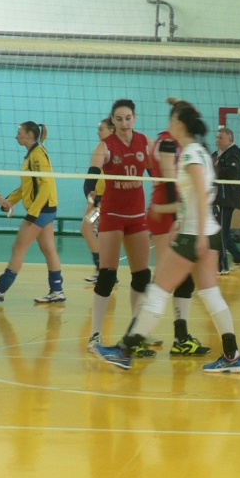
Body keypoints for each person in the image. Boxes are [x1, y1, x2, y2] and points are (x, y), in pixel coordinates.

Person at [95, 102, 240, 373]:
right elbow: (194, 199)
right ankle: (233, 356)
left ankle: (125, 351)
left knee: (158, 290)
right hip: (207, 231)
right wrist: (170, 213)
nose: (169, 125)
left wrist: (197, 233)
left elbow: (200, 193)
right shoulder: (201, 151)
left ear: (179, 124)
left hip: (195, 235)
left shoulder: (190, 154)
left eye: (172, 120)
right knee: (210, 294)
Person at [85, 99, 154, 354]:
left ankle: (136, 333)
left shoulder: (145, 143)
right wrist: (91, 194)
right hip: (112, 215)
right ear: (112, 121)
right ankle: (95, 334)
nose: (124, 123)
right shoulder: (105, 146)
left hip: (137, 217)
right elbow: (90, 178)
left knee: (142, 275)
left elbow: (159, 175)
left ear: (134, 118)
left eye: (128, 118)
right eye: (119, 119)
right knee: (107, 274)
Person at [147, 98, 210, 357]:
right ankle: (136, 337)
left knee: (181, 279)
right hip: (167, 214)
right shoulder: (168, 142)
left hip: (176, 214)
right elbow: (171, 182)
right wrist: (176, 215)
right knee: (164, 280)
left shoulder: (178, 143)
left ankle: (181, 338)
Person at [0, 122, 65, 305]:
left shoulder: (38, 155)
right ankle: (57, 291)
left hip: (41, 210)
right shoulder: (32, 154)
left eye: (19, 133)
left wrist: (33, 214)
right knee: (49, 249)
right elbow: (26, 186)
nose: (16, 136)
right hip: (46, 209)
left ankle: (0, 289)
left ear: (29, 134)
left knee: (19, 248)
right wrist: (10, 201)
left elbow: (45, 186)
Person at [80, 117, 113, 283]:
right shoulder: (104, 148)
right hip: (98, 199)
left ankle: (104, 271)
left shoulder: (107, 148)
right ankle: (102, 270)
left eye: (101, 129)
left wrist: (94, 197)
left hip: (103, 200)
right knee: (90, 230)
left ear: (111, 130)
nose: (98, 132)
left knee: (88, 229)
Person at [213, 127, 240, 275]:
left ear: (230, 139)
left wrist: (215, 169)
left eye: (221, 137)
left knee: (221, 231)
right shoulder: (216, 154)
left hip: (227, 198)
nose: (217, 140)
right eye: (217, 137)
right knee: (221, 230)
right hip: (217, 197)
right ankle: (238, 256)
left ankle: (222, 265)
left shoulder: (233, 154)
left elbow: (231, 172)